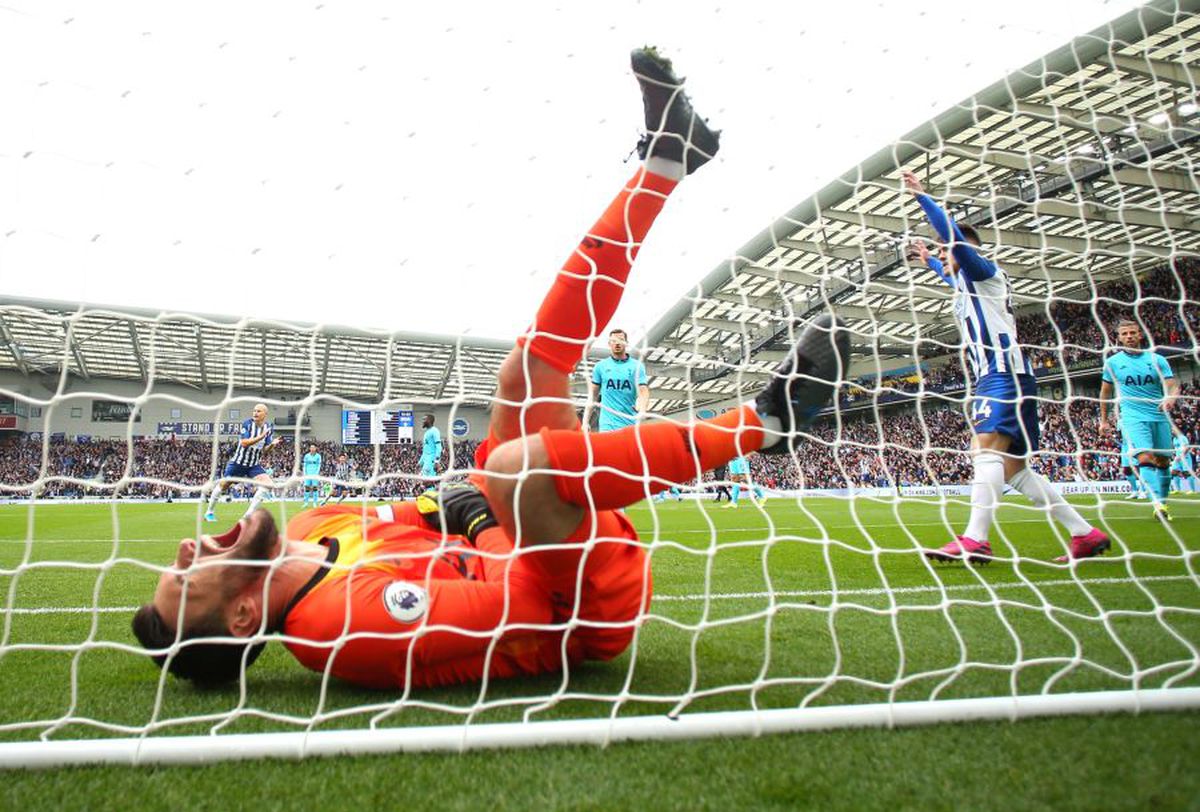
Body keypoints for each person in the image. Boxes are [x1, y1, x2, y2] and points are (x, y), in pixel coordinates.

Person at [130, 47, 849, 690]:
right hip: (580, 606)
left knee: (522, 374)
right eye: (186, 577)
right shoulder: (341, 628)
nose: (187, 546)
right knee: (514, 468)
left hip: (539, 535)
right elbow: (522, 601)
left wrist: (470, 511)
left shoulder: (321, 522)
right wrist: (482, 522)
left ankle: (666, 160)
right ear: (245, 611)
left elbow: (442, 508)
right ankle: (766, 424)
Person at [904, 172, 1109, 564]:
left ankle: (976, 538)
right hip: (1007, 374)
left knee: (983, 450)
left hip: (1002, 374)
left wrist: (923, 199)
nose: (946, 260)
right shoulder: (968, 285)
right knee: (1013, 468)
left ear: (963, 250)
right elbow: (949, 276)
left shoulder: (983, 271)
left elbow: (956, 246)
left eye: (948, 253)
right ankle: (1085, 534)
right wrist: (930, 261)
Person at [1098, 319, 1180, 521]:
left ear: (1140, 335)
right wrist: (1103, 420)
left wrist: (1170, 398)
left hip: (1159, 415)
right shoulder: (1113, 363)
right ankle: (1157, 505)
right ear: (1118, 338)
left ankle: (1163, 502)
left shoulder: (1157, 360)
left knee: (1163, 461)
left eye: (1132, 333)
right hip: (1132, 416)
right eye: (1124, 334)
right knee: (1144, 457)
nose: (1129, 337)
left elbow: (1173, 385)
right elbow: (1104, 393)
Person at [203, 403, 282, 522]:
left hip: (253, 465)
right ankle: (209, 512)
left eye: (258, 411)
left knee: (268, 485)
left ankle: (247, 516)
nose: (255, 413)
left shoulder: (269, 428)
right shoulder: (247, 424)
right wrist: (261, 437)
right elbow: (244, 443)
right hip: (238, 463)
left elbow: (265, 451)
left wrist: (271, 445)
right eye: (254, 411)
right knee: (223, 485)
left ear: (265, 414)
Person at [589, 328, 650, 431]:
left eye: (621, 340)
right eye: (614, 341)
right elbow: (593, 396)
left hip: (629, 424)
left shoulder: (637, 366)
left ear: (626, 343)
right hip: (606, 425)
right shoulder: (600, 366)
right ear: (609, 343)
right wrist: (586, 421)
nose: (617, 344)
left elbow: (643, 391)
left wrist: (643, 409)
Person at [1171, 427, 1195, 493]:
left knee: (1187, 473)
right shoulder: (1174, 439)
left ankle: (1192, 490)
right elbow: (1176, 449)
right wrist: (1175, 456)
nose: (1172, 432)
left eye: (1173, 431)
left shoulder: (1183, 437)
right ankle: (1178, 490)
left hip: (1185, 457)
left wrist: (1182, 455)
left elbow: (1187, 447)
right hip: (1178, 458)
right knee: (1174, 472)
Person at [418, 414, 442, 480]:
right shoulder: (426, 433)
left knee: (428, 481)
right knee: (423, 481)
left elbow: (439, 447)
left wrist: (436, 461)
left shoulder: (435, 431)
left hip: (431, 460)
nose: (422, 421)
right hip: (426, 460)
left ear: (429, 420)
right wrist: (420, 462)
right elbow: (425, 450)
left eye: (424, 419)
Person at [301, 444, 323, 508]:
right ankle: (306, 502)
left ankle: (315, 502)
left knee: (315, 488)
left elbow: (319, 465)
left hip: (314, 475)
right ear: (309, 448)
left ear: (316, 448)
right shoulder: (306, 456)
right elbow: (304, 465)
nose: (312, 449)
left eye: (313, 447)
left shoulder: (318, 456)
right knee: (307, 488)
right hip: (308, 474)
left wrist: (316, 473)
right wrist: (305, 473)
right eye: (311, 447)